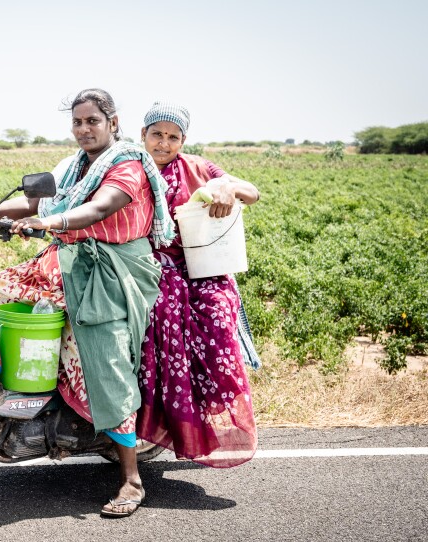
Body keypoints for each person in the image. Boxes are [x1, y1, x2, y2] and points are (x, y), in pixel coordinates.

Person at [0, 89, 176, 518]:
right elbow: (39, 201)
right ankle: (23, 400)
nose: (84, 129)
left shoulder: (126, 164)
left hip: (113, 271)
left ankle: (131, 479)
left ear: (112, 122)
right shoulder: (76, 166)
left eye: (92, 121)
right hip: (69, 261)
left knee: (100, 357)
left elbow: (99, 207)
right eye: (77, 122)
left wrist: (50, 223)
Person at [136, 101, 260, 470]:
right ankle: (150, 418)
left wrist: (225, 185)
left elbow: (251, 192)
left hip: (201, 265)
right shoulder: (129, 167)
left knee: (218, 317)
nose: (163, 143)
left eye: (173, 137)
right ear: (142, 135)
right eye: (157, 134)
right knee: (157, 314)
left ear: (183, 140)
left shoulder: (198, 167)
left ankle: (202, 416)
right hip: (149, 265)